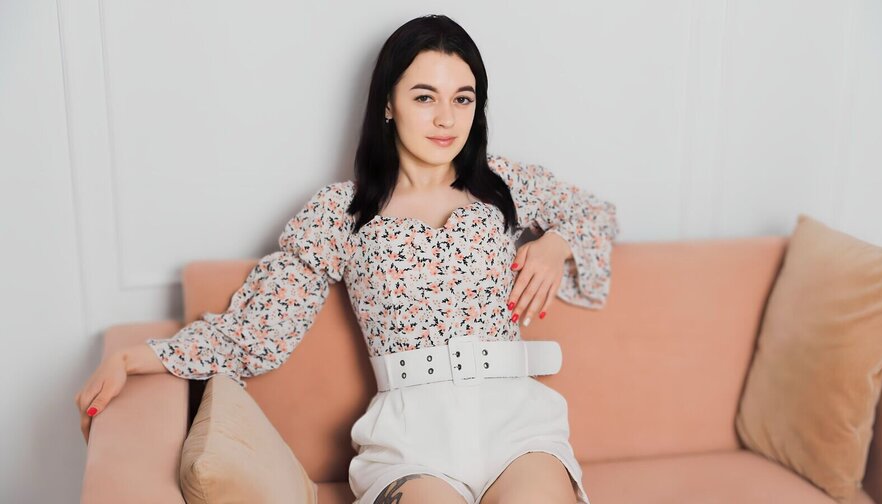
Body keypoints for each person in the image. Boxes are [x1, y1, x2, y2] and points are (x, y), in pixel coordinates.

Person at [75, 14, 619, 504]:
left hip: (519, 428)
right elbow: (259, 329)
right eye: (424, 97)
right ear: (388, 103)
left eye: (463, 99)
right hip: (412, 440)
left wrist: (556, 243)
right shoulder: (340, 212)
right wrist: (136, 358)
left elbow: (599, 216)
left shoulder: (504, 186)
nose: (446, 119)